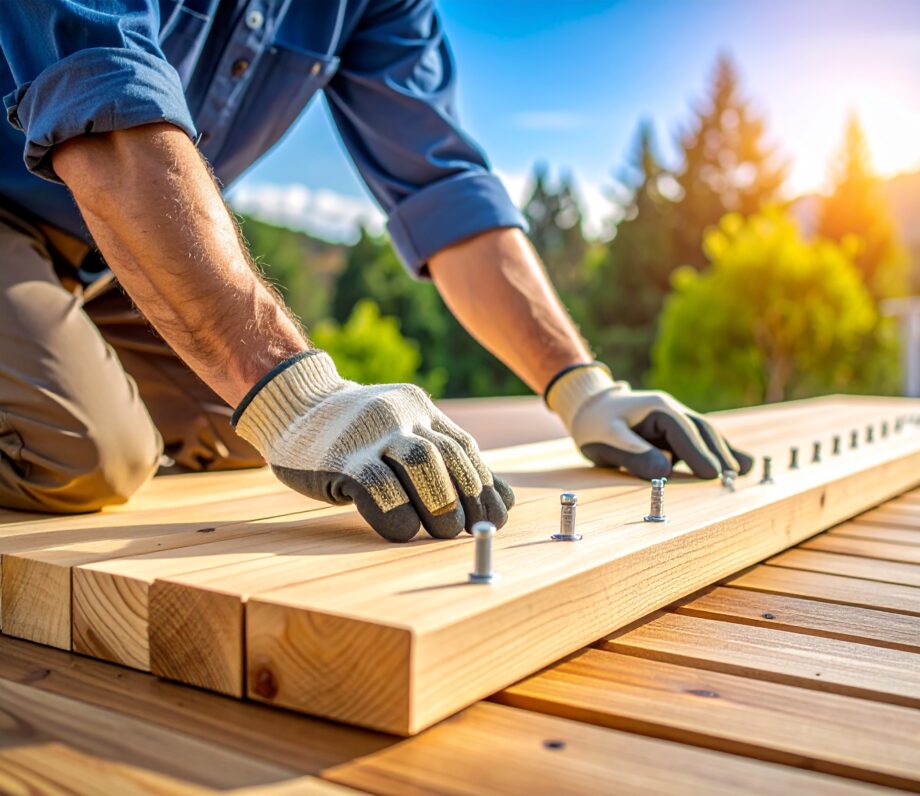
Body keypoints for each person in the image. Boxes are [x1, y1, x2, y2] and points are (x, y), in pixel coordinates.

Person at [0, 1, 752, 542]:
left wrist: (581, 387)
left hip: (108, 255)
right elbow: (101, 99)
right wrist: (293, 395)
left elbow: (443, 188)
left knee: (238, 435)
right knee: (87, 455)